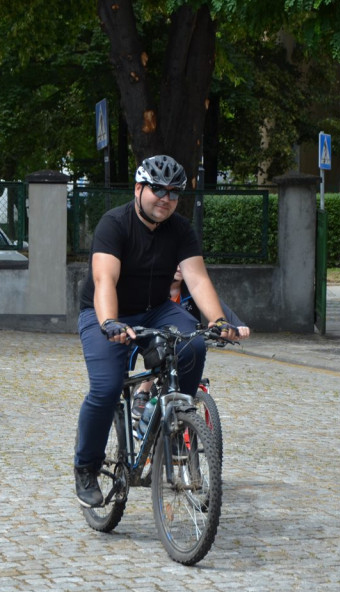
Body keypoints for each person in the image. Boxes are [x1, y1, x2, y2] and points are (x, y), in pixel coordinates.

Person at [73, 155, 242, 508]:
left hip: (156, 309)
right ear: (139, 189)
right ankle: (86, 467)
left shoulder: (180, 230)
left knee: (194, 344)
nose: (165, 198)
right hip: (106, 312)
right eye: (157, 189)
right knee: (105, 388)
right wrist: (109, 322)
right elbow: (105, 279)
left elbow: (197, 279)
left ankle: (179, 418)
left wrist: (218, 320)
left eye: (173, 193)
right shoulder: (114, 224)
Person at [130, 268, 251, 418]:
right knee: (163, 349)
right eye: (176, 263)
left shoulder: (191, 289)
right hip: (156, 336)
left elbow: (218, 305)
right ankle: (143, 390)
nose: (180, 268)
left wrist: (237, 324)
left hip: (187, 337)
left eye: (183, 263)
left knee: (191, 354)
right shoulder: (157, 290)